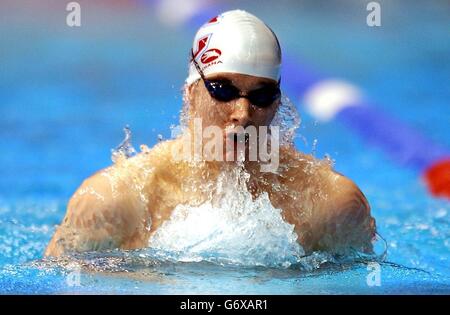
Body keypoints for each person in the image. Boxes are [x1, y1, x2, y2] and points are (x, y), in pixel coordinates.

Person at [45, 10, 375, 258]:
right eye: (223, 90)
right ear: (191, 93)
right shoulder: (117, 199)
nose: (243, 114)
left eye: (261, 95)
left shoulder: (328, 205)